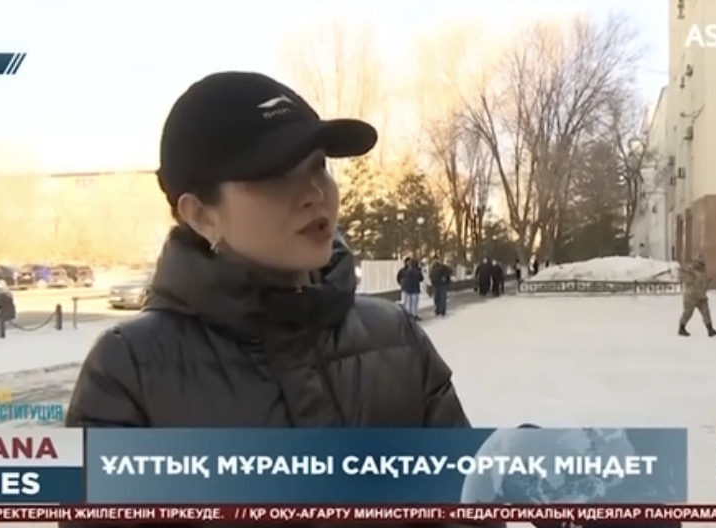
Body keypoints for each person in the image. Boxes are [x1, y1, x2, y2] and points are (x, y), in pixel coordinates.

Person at [63, 73, 490, 528]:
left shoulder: (396, 337)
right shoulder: (129, 369)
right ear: (202, 215)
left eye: (318, 166)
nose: (315, 194)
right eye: (275, 174)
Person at [678, 255, 716, 336]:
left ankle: (710, 329)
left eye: (702, 262)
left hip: (701, 296)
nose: (702, 264)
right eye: (700, 262)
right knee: (687, 313)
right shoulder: (690, 270)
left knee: (706, 313)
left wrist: (707, 282)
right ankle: (681, 328)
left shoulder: (703, 271)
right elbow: (684, 277)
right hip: (691, 297)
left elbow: (703, 283)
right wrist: (690, 277)